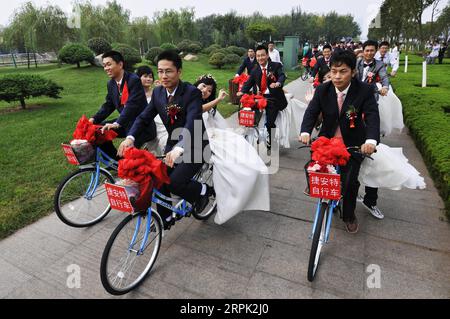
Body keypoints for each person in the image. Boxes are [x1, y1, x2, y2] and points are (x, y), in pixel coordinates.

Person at [118, 50, 212, 229]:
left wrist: (180, 147)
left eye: (168, 71)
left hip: (196, 146)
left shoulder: (191, 93)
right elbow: (144, 117)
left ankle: (204, 190)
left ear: (179, 72)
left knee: (176, 183)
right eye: (160, 71)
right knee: (157, 176)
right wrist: (130, 137)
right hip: (172, 144)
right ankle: (165, 219)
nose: (163, 75)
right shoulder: (158, 93)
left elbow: (193, 122)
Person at [299, 50, 380, 234]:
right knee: (313, 166)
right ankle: (314, 184)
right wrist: (305, 131)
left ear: (353, 72)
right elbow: (311, 112)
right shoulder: (323, 89)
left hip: (353, 143)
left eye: (343, 71)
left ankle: (349, 215)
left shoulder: (364, 90)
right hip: (327, 140)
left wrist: (370, 140)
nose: (337, 76)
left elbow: (373, 116)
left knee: (350, 182)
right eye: (334, 71)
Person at [89, 51, 156, 159]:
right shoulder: (111, 83)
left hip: (141, 126)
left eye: (109, 64)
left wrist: (117, 123)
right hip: (125, 123)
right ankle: (114, 162)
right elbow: (109, 105)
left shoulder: (133, 80)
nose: (106, 68)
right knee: (98, 131)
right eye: (104, 65)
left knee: (128, 153)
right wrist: (94, 119)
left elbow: (132, 105)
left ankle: (124, 164)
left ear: (120, 64)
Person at [238, 44, 288, 155]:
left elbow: (282, 76)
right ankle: (254, 135)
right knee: (248, 110)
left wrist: (278, 83)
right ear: (256, 57)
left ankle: (271, 138)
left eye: (263, 55)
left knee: (270, 122)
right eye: (258, 56)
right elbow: (248, 83)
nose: (260, 58)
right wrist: (242, 92)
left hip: (274, 98)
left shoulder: (276, 66)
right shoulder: (255, 70)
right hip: (261, 97)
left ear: (267, 55)